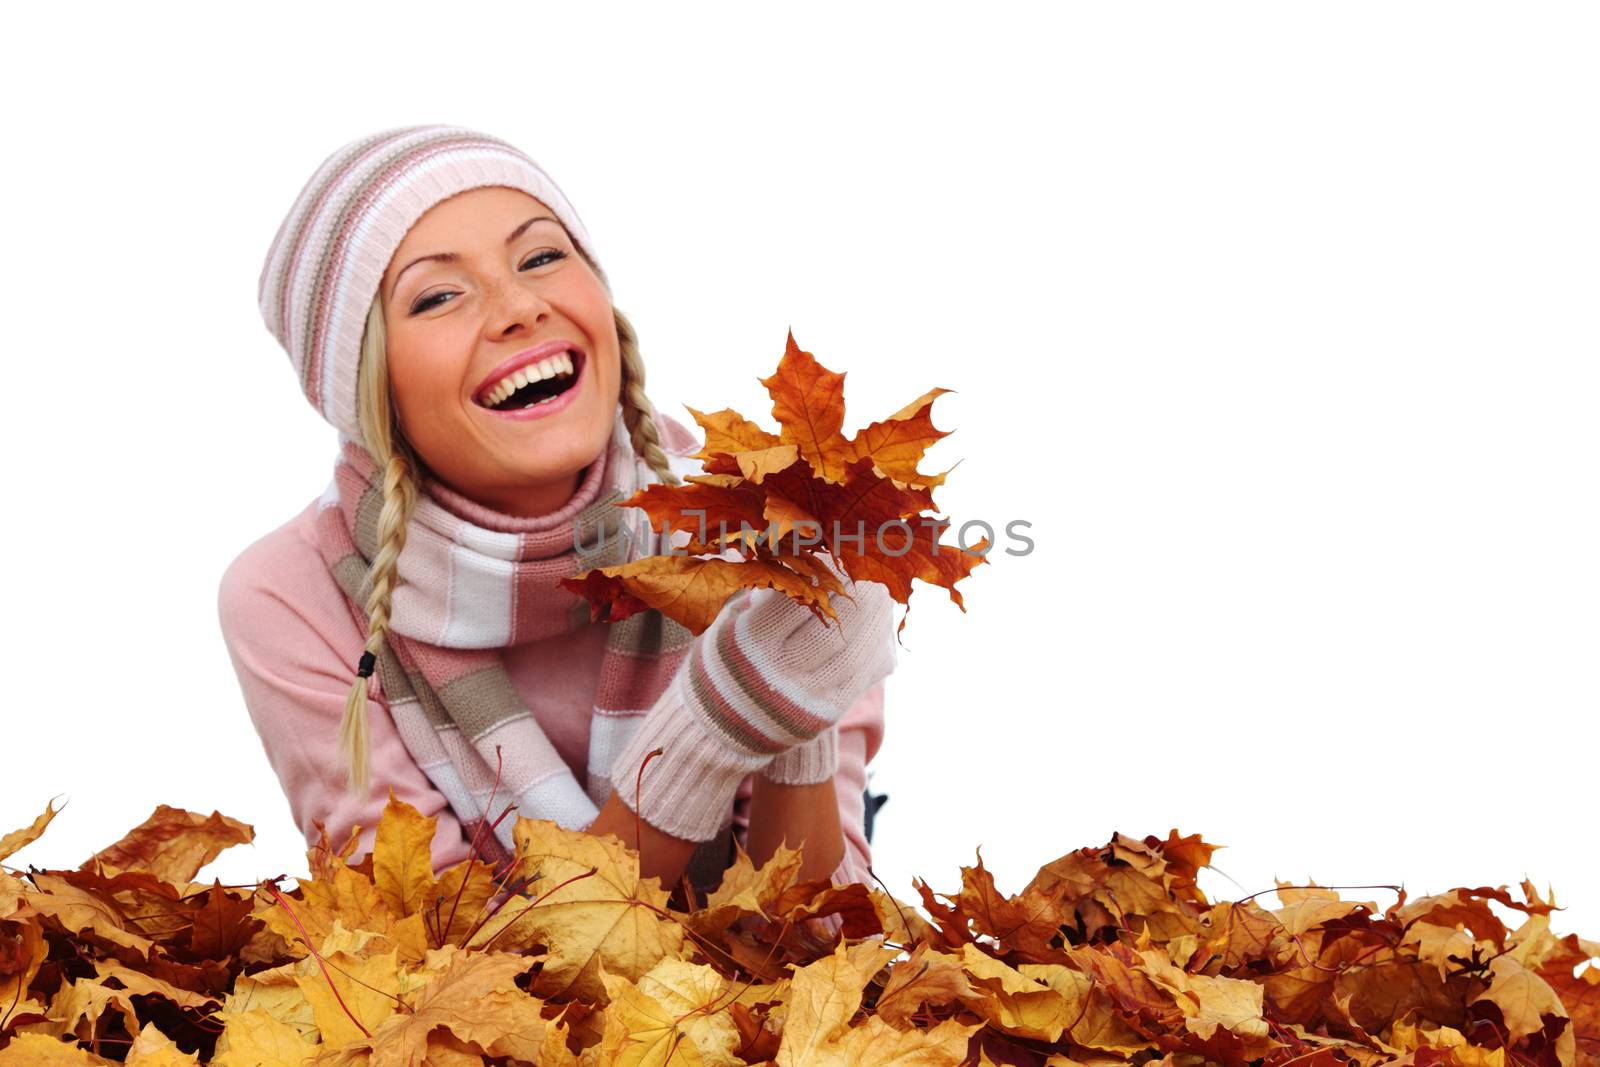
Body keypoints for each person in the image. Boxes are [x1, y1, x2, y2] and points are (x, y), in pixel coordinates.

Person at [216, 124, 898, 898]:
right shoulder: (292, 594)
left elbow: (822, 948)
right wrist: (712, 728)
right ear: (366, 384)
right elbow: (441, 981)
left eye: (541, 256)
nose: (518, 307)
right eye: (437, 295)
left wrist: (799, 714)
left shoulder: (755, 516)